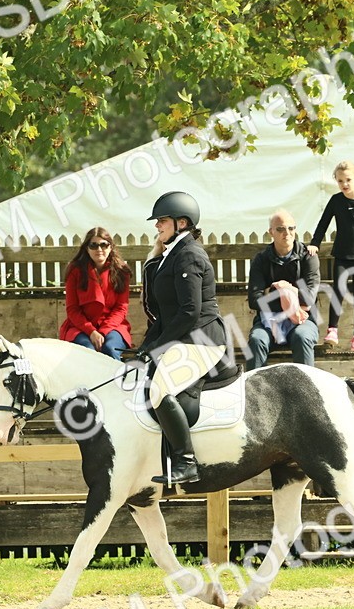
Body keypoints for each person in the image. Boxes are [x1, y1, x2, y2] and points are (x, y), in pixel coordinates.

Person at [136, 191, 227, 486]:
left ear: (181, 222)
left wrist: (158, 346)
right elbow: (165, 314)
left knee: (160, 391)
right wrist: (145, 346)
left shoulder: (189, 254)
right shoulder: (170, 255)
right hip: (185, 339)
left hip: (202, 340)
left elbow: (189, 312)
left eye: (162, 220)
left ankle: (186, 461)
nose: (157, 226)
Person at [308, 161, 354, 353]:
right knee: (338, 292)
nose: (344, 184)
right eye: (340, 181)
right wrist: (315, 243)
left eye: (348, 180)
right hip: (342, 255)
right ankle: (332, 331)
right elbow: (323, 223)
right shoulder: (336, 201)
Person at [245, 209, 320, 369]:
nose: (287, 233)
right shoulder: (261, 260)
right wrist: (289, 294)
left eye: (291, 228)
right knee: (257, 340)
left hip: (303, 319)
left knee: (302, 337)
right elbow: (254, 300)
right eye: (280, 229)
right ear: (270, 232)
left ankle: (305, 392)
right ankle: (253, 392)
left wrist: (278, 291)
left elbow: (308, 299)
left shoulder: (308, 257)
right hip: (268, 320)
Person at [58, 227, 132, 360]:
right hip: (80, 327)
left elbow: (121, 308)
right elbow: (72, 309)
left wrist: (103, 332)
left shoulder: (121, 271)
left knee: (110, 348)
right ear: (87, 248)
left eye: (104, 245)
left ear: (111, 247)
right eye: (94, 245)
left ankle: (118, 380)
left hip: (113, 326)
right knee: (88, 351)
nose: (99, 249)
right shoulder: (75, 270)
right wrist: (91, 331)